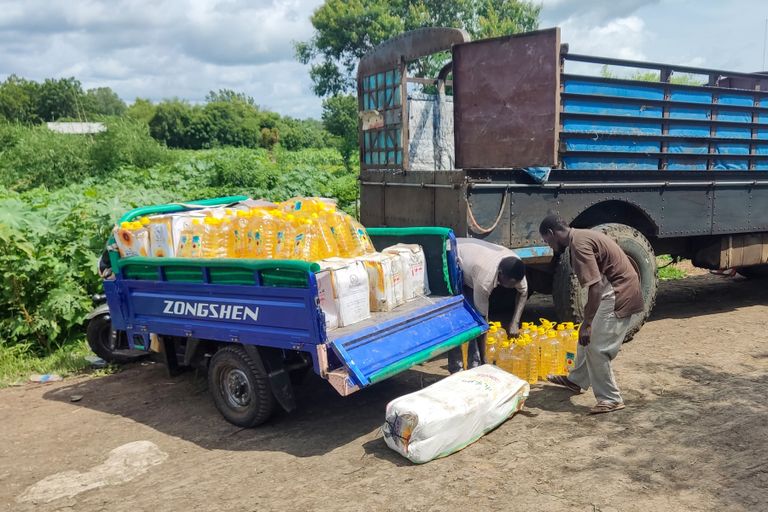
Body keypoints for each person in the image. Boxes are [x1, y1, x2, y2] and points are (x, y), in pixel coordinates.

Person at [538, 215, 644, 414]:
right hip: (615, 289)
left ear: (552, 233)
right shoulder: (580, 237)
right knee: (584, 338)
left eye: (547, 241)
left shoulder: (579, 245)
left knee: (597, 348)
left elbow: (594, 287)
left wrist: (587, 323)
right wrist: (586, 324)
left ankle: (611, 399)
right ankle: (576, 380)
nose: (549, 246)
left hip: (618, 293)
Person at [447, 238, 528, 373]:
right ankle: (457, 368)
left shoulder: (515, 267)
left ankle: (475, 365)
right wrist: (485, 359)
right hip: (453, 256)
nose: (513, 287)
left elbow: (523, 292)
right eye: (511, 283)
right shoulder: (485, 280)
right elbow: (482, 321)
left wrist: (515, 322)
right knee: (458, 318)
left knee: (473, 313)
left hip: (473, 262)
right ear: (500, 274)